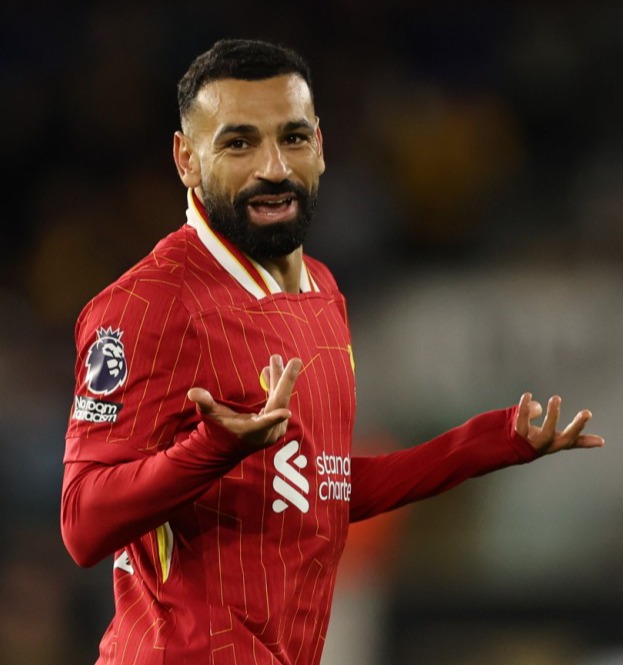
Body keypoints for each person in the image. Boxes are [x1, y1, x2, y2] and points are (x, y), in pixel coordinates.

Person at [60, 38, 604, 665]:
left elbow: (322, 486)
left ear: (320, 146)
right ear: (186, 159)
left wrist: (488, 442)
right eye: (238, 143)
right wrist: (211, 449)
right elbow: (83, 525)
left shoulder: (322, 289)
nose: (273, 166)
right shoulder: (147, 306)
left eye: (292, 138)